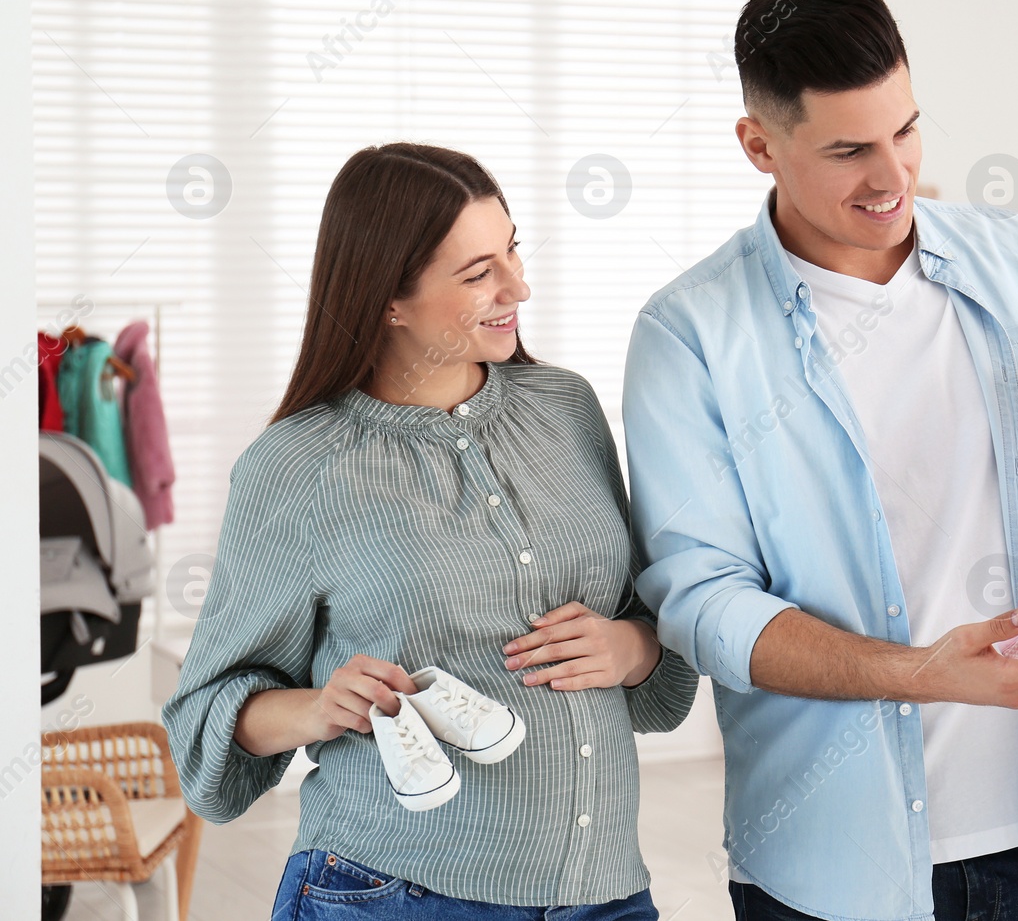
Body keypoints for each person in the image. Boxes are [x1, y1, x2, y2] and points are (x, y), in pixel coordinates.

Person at [621, 0, 1018, 921]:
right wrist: (918, 674)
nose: (894, 178)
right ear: (759, 143)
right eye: (849, 150)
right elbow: (703, 602)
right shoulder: (691, 335)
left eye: (907, 130)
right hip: (832, 862)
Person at [161, 143, 699, 918]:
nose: (518, 285)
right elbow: (202, 724)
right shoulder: (299, 466)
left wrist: (634, 647)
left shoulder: (567, 408)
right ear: (389, 299)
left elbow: (654, 654)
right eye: (478, 272)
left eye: (512, 249)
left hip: (606, 889)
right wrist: (320, 707)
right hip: (396, 891)